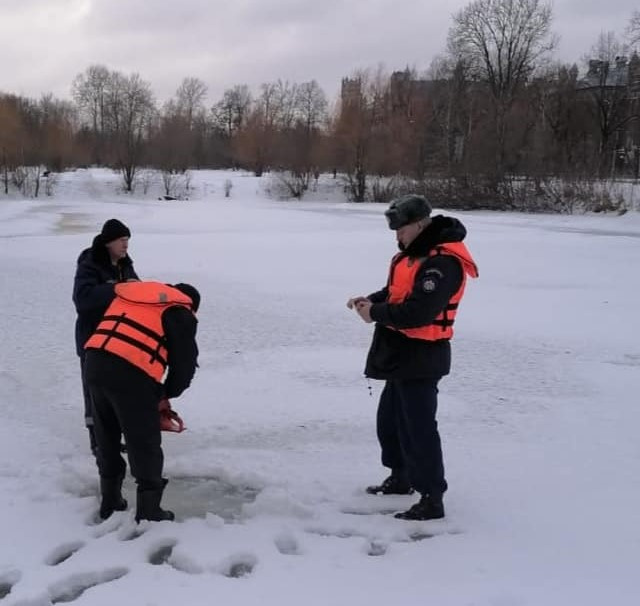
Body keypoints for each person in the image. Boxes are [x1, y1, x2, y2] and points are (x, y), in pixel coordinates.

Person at [347, 194, 478, 521]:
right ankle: (401, 477)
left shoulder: (442, 263)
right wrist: (371, 300)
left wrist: (375, 313)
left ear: (420, 225)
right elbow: (397, 294)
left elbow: (420, 311)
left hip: (423, 355)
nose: (397, 237)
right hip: (400, 353)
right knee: (390, 422)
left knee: (417, 427)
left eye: (401, 230)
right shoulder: (414, 255)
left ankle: (432, 497)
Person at [83, 281, 200, 522]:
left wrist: (156, 391)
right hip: (129, 374)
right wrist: (166, 393)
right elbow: (184, 366)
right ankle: (149, 511)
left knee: (107, 434)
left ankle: (110, 501)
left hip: (94, 364)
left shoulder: (141, 300)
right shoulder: (180, 311)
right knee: (143, 442)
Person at [73, 219, 139, 455]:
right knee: (93, 392)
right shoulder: (90, 264)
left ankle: (112, 436)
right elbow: (83, 299)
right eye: (122, 241)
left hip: (119, 340)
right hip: (93, 339)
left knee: (116, 391)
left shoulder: (125, 265)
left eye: (128, 241)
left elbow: (136, 293)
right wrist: (118, 289)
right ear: (109, 242)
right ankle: (97, 442)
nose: (126, 246)